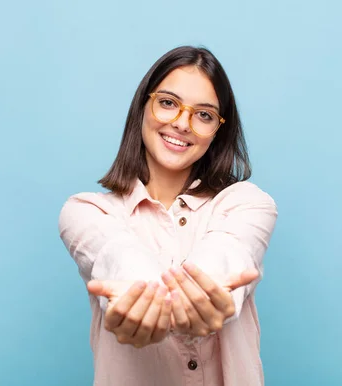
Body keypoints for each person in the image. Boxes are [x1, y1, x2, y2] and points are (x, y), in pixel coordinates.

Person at [59, 45, 278, 386]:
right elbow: (118, 256)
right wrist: (149, 303)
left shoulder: (248, 204)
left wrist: (196, 301)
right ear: (143, 106)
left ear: (218, 131)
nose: (181, 124)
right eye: (168, 103)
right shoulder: (87, 212)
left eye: (204, 115)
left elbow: (229, 251)